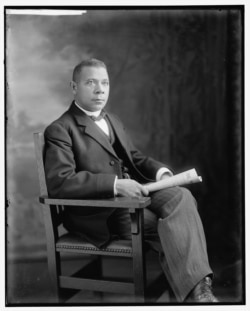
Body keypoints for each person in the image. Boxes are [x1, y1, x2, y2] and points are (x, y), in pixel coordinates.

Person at [44, 58, 219, 303]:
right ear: (74, 87)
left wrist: (163, 175)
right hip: (103, 212)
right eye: (91, 82)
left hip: (136, 195)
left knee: (181, 196)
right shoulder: (60, 129)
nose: (99, 90)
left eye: (104, 83)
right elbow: (60, 182)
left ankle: (196, 294)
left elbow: (134, 158)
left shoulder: (112, 119)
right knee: (173, 227)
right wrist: (116, 185)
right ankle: (199, 294)